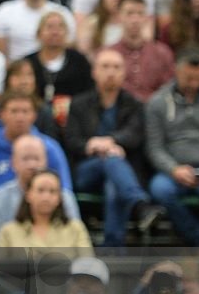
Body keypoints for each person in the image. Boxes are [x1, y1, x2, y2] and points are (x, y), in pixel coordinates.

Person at [65, 49, 163, 247]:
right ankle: (140, 205)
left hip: (122, 173)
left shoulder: (134, 104)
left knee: (114, 183)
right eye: (105, 66)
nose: (111, 72)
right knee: (111, 160)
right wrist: (90, 145)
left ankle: (113, 248)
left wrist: (107, 142)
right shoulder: (78, 104)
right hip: (87, 172)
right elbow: (71, 140)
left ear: (124, 73)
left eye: (116, 67)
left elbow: (134, 135)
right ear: (94, 72)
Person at [0, 91, 72, 205]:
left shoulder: (50, 148)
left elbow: (65, 192)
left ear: (34, 116)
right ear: (1, 115)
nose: (20, 117)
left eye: (25, 111)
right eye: (14, 111)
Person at [145, 46, 199, 245]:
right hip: (173, 170)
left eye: (198, 78)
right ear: (176, 72)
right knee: (159, 189)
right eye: (189, 78)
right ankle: (196, 237)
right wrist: (174, 169)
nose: (194, 84)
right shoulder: (158, 102)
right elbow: (154, 147)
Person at [0, 134, 80, 240]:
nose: (32, 165)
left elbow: (75, 236)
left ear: (45, 162)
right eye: (25, 159)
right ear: (13, 163)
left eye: (36, 159)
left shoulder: (64, 198)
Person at [0, 169, 92, 253]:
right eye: (40, 190)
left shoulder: (75, 228)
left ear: (59, 198)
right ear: (28, 195)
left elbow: (87, 266)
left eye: (52, 191)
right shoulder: (8, 231)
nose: (46, 197)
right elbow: (0, 270)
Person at [24, 11, 93, 127]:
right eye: (49, 27)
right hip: (36, 117)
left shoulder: (79, 60)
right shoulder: (28, 62)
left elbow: (89, 92)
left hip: (74, 118)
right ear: (39, 33)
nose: (55, 32)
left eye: (60, 27)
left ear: (67, 33)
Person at [106, 0, 175, 103]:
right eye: (129, 13)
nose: (135, 19)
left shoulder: (162, 53)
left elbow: (170, 89)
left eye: (140, 13)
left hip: (154, 112)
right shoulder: (108, 54)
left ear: (146, 18)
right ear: (119, 16)